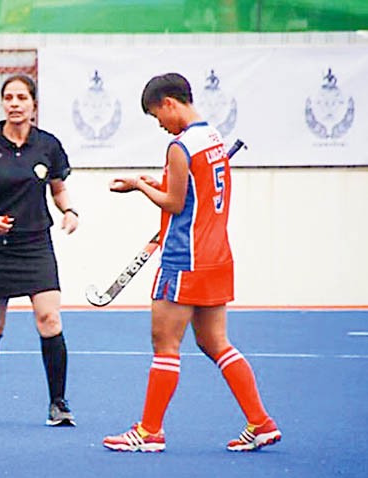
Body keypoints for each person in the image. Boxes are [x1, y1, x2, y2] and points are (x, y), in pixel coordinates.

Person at [102, 72, 281, 452]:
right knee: (215, 342)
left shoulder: (180, 146)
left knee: (164, 343)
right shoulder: (212, 137)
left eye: (157, 116)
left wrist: (140, 186)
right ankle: (261, 422)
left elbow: (175, 203)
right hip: (216, 255)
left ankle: (149, 432)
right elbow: (193, 190)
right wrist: (159, 183)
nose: (160, 125)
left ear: (169, 103)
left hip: (185, 256)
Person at [0, 74, 79, 427]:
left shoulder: (48, 146)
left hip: (36, 244)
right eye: (8, 97)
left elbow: (58, 188)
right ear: (2, 103)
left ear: (33, 104)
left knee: (49, 319)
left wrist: (69, 210)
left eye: (21, 97)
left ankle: (58, 403)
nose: (14, 104)